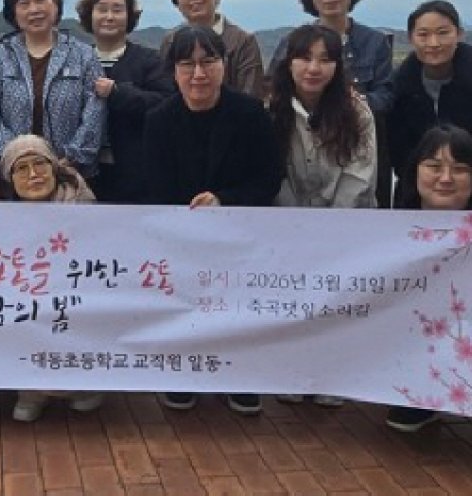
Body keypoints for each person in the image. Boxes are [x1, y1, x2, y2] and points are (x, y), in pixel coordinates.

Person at [144, 25, 282, 415]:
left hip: (241, 232)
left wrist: (225, 201)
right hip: (180, 235)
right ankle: (184, 374)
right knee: (184, 307)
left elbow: (269, 177)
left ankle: (240, 377)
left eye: (209, 62)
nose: (198, 74)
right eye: (187, 64)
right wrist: (189, 219)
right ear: (174, 71)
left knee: (239, 310)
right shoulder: (158, 119)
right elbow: (155, 186)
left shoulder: (251, 114)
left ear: (224, 65)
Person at [269, 24, 377, 408]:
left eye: (325, 59)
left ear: (337, 66)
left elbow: (361, 173)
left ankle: (334, 376)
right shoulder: (272, 107)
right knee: (294, 302)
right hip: (289, 223)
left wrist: (331, 226)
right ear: (289, 62)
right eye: (304, 57)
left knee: (339, 302)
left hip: (346, 224)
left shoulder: (356, 110)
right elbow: (271, 170)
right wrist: (296, 223)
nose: (314, 68)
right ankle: (293, 372)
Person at [268, 0, 394, 206]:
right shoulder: (291, 42)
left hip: (355, 149)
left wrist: (351, 103)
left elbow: (387, 95)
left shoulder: (375, 42)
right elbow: (273, 88)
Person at [0, 134, 101, 421]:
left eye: (40, 164)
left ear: (54, 167)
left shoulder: (88, 208)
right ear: (10, 179)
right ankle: (31, 391)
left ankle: (85, 387)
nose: (33, 174)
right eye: (21, 168)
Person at [0, 0, 104, 187]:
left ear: (55, 4)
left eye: (40, 0)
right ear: (13, 12)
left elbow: (95, 111)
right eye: (24, 3)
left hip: (70, 176)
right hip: (11, 177)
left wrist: (68, 160)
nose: (34, 9)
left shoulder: (84, 56)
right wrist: (19, 158)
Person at [386, 124, 472, 432]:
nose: (445, 178)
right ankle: (419, 399)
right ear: (415, 171)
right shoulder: (381, 235)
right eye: (434, 167)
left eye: (460, 169)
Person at [75, 0, 174, 202]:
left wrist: (118, 93)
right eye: (102, 9)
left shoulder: (149, 60)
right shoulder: (76, 60)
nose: (109, 17)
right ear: (89, 15)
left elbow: (166, 103)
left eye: (118, 10)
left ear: (129, 16)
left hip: (136, 175)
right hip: (82, 173)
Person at [388, 0, 472, 184]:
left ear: (459, 34)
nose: (433, 43)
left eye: (443, 33)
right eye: (423, 34)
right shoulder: (398, 88)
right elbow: (399, 152)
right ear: (411, 38)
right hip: (417, 188)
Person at [162, 0, 264, 98]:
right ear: (177, 2)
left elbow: (251, 94)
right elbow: (164, 90)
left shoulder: (242, 41)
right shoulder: (170, 41)